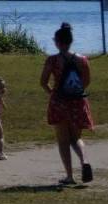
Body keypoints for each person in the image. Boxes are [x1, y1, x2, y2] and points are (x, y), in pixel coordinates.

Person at [39, 23, 94, 185]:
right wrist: (75, 92)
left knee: (63, 140)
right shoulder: (82, 60)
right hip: (78, 101)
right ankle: (84, 161)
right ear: (71, 41)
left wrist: (52, 93)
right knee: (76, 137)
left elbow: (43, 82)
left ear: (57, 42)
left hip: (59, 102)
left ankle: (70, 176)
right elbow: (86, 81)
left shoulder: (52, 60)